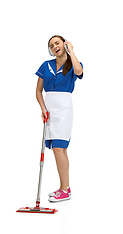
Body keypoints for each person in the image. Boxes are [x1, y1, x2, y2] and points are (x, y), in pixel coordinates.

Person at [35, 35, 83, 202]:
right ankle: (65, 187)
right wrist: (42, 108)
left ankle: (64, 189)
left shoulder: (73, 63)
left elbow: (79, 71)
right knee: (59, 149)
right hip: (49, 107)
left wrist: (72, 51)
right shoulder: (46, 65)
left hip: (64, 108)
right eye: (51, 45)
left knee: (59, 147)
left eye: (57, 43)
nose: (55, 46)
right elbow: (38, 90)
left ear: (64, 44)